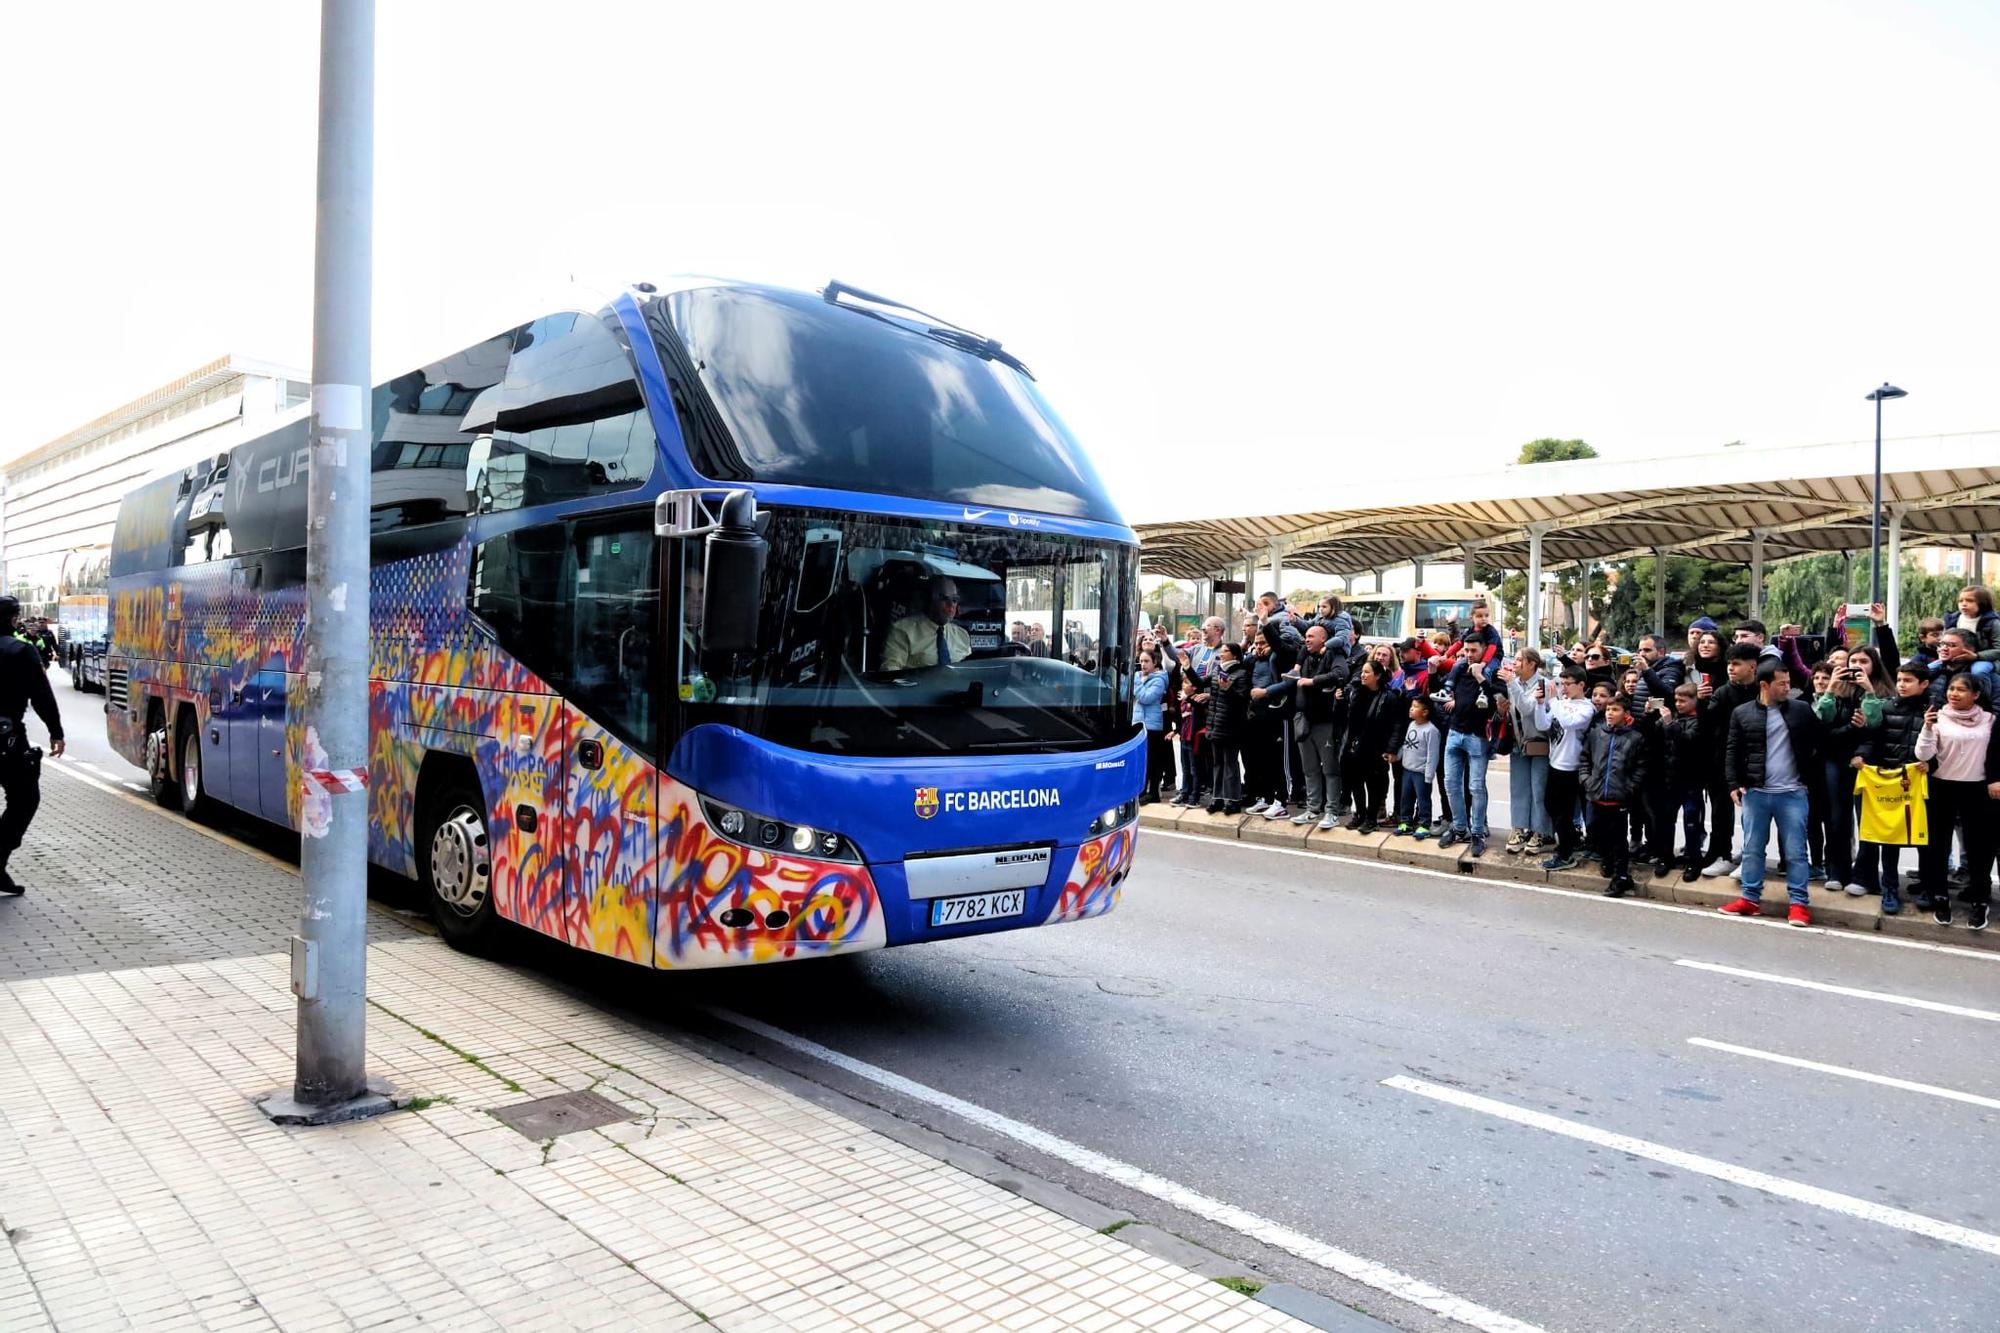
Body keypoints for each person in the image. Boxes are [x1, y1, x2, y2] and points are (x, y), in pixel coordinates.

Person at [1719, 659, 1822, 927]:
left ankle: (1799, 904)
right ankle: (1750, 899)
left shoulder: (1801, 710)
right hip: (1756, 792)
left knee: (1796, 851)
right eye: (1782, 684)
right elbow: (1732, 750)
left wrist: (1810, 777)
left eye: (1789, 683)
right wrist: (1733, 783)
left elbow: (1818, 742)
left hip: (1793, 793)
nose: (1788, 688)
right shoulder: (1742, 713)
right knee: (1752, 849)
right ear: (1764, 685)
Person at [1913, 672, 1995, 930]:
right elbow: (1923, 754)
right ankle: (1940, 897)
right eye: (1951, 689)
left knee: (1978, 848)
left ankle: (1980, 901)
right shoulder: (1937, 718)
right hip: (1941, 786)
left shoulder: (1990, 721)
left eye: (1961, 690)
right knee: (1938, 845)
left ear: (1976, 695)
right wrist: (1926, 727)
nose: (1954, 694)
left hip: (1977, 788)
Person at [1849, 659, 1932, 912]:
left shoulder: (1932, 711)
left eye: (1908, 681)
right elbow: (1872, 738)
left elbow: (1940, 746)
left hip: (1920, 784)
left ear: (1924, 684)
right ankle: (1890, 890)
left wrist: (1932, 765)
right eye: (1899, 681)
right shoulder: (1886, 707)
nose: (1902, 685)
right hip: (1890, 782)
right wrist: (1862, 755)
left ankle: (1929, 889)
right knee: (1890, 840)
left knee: (1924, 840)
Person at [0, 597, 63, 896]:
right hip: (8, 739)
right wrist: (56, 731)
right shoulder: (21, 651)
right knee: (25, 799)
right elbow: (41, 695)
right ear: (14, 620)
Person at [1698, 643, 1764, 878]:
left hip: (1757, 761)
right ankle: (1721, 855)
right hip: (1723, 760)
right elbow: (1706, 726)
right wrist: (1701, 704)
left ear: (1753, 666)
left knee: (1755, 814)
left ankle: (1751, 859)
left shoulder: (1763, 691)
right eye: (1729, 663)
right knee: (1720, 811)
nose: (1730, 669)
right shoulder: (1723, 692)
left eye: (1736, 664)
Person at [1580, 693, 1647, 897]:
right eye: (1608, 710)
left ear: (1626, 714)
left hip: (1619, 797)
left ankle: (1621, 877)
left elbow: (1640, 767)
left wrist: (1630, 788)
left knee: (1618, 838)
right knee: (1597, 831)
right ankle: (1607, 861)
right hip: (1597, 794)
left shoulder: (1634, 738)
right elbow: (1585, 759)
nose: (1610, 713)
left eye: (1615, 710)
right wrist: (1586, 780)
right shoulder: (1596, 734)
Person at [1437, 643, 1500, 856]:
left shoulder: (1491, 672)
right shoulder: (1459, 671)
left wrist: (1481, 677)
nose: (1469, 655)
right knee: (1451, 783)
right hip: (1455, 733)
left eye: (1474, 651)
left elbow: (1498, 700)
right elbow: (1442, 691)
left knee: (1476, 786)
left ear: (1484, 651)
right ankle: (1459, 827)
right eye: (1466, 651)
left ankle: (1478, 833)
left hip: (1477, 737)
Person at [1285, 623, 1350, 830]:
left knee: (1330, 769)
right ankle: (1313, 809)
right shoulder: (1305, 655)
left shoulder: (1334, 654)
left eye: (1312, 636)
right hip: (1305, 721)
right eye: (1306, 636)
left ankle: (1331, 811)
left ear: (1324, 638)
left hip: (1326, 722)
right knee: (1310, 769)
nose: (1307, 639)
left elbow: (1341, 674)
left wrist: (1312, 681)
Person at [1536, 663, 1596, 871]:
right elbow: (1543, 725)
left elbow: (1570, 723)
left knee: (1564, 811)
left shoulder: (1587, 707)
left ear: (1581, 685)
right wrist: (1540, 704)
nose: (1564, 688)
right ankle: (1570, 842)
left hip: (1573, 767)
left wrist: (1553, 701)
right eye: (1561, 684)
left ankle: (1566, 853)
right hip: (1555, 763)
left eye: (1568, 684)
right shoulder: (1560, 703)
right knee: (1552, 806)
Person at [1500, 649, 1555, 854]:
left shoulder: (1544, 684)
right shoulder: (1516, 684)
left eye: (1519, 660)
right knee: (1519, 788)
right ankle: (1519, 829)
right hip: (1518, 743)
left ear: (1532, 664)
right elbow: (1514, 713)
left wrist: (1511, 683)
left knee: (1538, 789)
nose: (1515, 664)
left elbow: (1527, 709)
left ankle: (1540, 831)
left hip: (1540, 743)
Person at [1338, 659, 1398, 833]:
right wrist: (1339, 700)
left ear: (1377, 676)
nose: (1362, 675)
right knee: (1355, 783)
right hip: (1355, 745)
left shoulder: (1389, 696)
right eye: (1362, 672)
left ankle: (1371, 819)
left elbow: (1396, 725)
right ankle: (1360, 814)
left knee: (1373, 785)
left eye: (1367, 672)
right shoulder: (1355, 692)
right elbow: (1345, 718)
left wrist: (1391, 749)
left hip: (1376, 747)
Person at [881, 576, 973, 671]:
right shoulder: (903, 631)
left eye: (954, 600)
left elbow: (970, 672)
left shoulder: (962, 635)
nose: (951, 605)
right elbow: (890, 670)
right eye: (944, 598)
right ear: (928, 600)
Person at [1200, 642, 1247, 814]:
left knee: (1230, 764)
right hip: (1215, 724)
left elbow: (1242, 699)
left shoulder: (1240, 673)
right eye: (1222, 651)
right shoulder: (1216, 671)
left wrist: (1228, 689)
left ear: (1235, 655)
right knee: (1217, 763)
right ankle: (1217, 798)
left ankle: (1233, 800)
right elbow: (1199, 682)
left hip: (1231, 726)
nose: (1222, 654)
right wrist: (1187, 667)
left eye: (1226, 651)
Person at [1393, 696, 1443, 838]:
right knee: (1406, 798)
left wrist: (1429, 774)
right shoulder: (1411, 725)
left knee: (1423, 799)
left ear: (1425, 712)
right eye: (1411, 706)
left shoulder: (1431, 730)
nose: (1411, 709)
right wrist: (1397, 756)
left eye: (1415, 707)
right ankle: (1406, 823)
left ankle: (1424, 825)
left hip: (1421, 772)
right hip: (1407, 769)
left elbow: (1433, 754)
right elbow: (1406, 744)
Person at [1132, 648, 1170, 803]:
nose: (1143, 665)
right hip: (1139, 722)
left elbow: (1146, 698)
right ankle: (1142, 790)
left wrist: (1137, 683)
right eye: (1141, 661)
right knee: (1143, 760)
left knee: (1153, 761)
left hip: (1153, 726)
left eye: (1146, 661)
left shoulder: (1159, 680)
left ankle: (1153, 792)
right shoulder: (1140, 677)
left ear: (1155, 662)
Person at [1949, 585, 2000, 679]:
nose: (1963, 604)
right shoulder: (1952, 619)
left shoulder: (1992, 622)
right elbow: (1944, 641)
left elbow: (1998, 650)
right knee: (1929, 669)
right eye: (1961, 601)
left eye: (1970, 601)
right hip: (1955, 658)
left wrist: (1977, 656)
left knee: (1978, 672)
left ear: (1982, 603)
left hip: (1984, 659)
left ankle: (1982, 693)